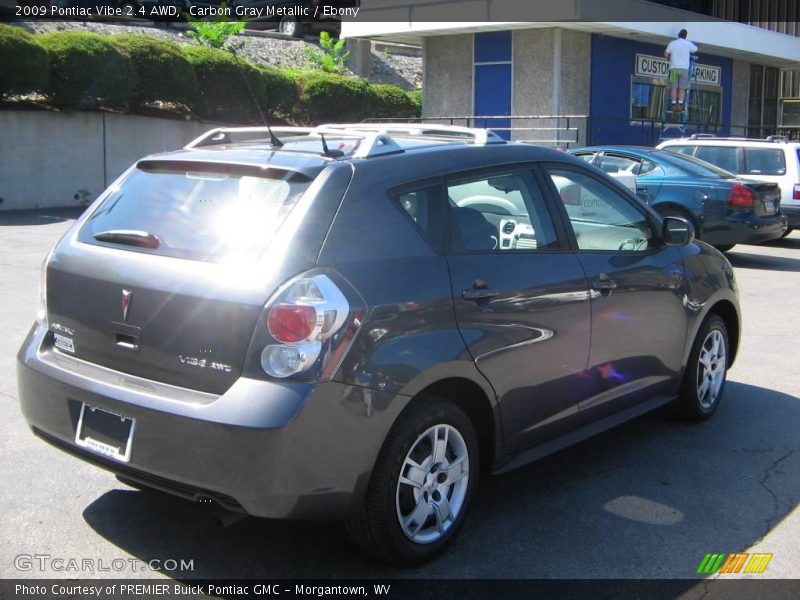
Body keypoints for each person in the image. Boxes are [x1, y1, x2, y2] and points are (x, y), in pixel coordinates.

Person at [664, 29, 698, 107]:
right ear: (685, 36)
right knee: (682, 87)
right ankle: (680, 103)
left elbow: (666, 54)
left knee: (673, 87)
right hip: (684, 69)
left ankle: (673, 103)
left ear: (678, 35)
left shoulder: (672, 43)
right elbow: (695, 49)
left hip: (673, 69)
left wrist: (670, 59)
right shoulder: (688, 44)